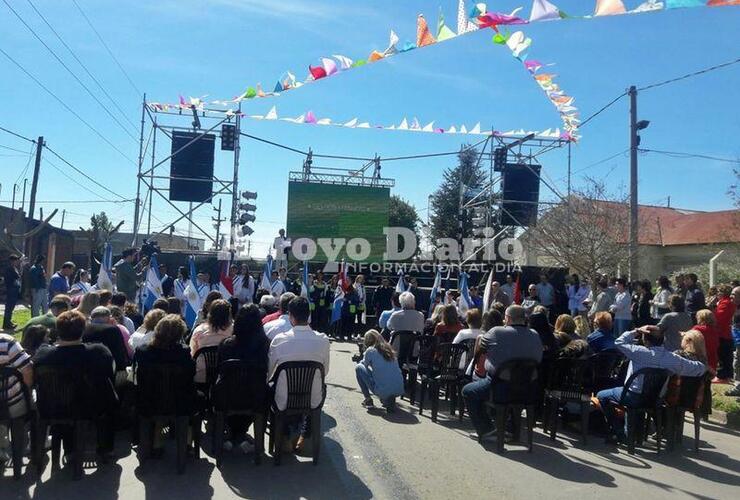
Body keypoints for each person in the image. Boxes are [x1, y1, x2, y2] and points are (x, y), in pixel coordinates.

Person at [596, 325, 706, 444]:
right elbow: (699, 369)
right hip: (656, 399)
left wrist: (636, 331)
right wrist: (705, 365)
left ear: (645, 340)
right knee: (630, 399)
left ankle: (620, 433)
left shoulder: (638, 351)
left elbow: (618, 342)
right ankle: (633, 433)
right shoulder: (672, 358)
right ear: (663, 340)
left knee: (602, 395)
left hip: (633, 396)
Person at [34, 310, 117, 456]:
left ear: (58, 330)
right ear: (83, 330)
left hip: (52, 406)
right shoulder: (98, 351)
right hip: (90, 407)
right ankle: (106, 447)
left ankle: (69, 448)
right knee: (109, 396)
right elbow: (109, 374)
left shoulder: (43, 354)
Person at [462, 305, 543, 440]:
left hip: (500, 387)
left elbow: (481, 346)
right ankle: (510, 429)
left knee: (468, 391)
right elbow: (538, 359)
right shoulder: (535, 335)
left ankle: (487, 430)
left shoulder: (497, 332)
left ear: (508, 319)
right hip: (528, 389)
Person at [268, 296, 330, 453]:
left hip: (284, 399)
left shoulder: (279, 340)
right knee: (320, 388)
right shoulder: (323, 340)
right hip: (311, 399)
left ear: (290, 316)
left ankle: (284, 435)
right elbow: (325, 372)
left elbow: (269, 373)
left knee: (272, 388)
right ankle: (304, 435)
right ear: (308, 315)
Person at [131, 314, 195, 456]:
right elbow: (191, 374)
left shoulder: (143, 351)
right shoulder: (183, 352)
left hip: (149, 400)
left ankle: (157, 444)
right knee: (195, 398)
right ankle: (187, 444)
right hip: (178, 402)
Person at [216, 304, 269, 452]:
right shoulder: (264, 345)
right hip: (255, 397)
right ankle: (239, 434)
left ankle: (236, 434)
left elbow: (219, 370)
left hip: (228, 396)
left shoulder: (226, 345)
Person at [355, 329, 404, 412]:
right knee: (385, 373)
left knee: (359, 367)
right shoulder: (390, 350)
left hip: (382, 390)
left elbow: (364, 365)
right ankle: (388, 398)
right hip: (399, 389)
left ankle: (368, 399)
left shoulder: (370, 351)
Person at [190, 299, 233, 383]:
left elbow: (192, 355)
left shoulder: (199, 331)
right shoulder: (234, 331)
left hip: (201, 377)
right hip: (226, 378)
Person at [84, 306, 130, 375]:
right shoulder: (112, 329)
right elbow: (119, 351)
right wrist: (122, 369)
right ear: (109, 317)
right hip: (108, 369)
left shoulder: (84, 329)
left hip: (87, 369)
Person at [714, 285, 736, 383]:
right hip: (726, 333)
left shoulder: (725, 303)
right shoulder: (729, 303)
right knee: (727, 356)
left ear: (723, 293)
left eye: (719, 292)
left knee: (722, 355)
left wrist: (712, 309)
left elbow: (718, 318)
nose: (717, 294)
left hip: (722, 333)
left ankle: (722, 376)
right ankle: (727, 376)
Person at [693, 309, 719, 375]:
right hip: (712, 359)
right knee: (707, 381)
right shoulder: (715, 330)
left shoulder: (697, 329)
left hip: (700, 360)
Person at [725, 286, 740, 396]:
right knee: (737, 363)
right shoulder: (734, 307)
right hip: (737, 342)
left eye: (734, 294)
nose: (731, 296)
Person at [3, 255, 22, 331]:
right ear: (12, 261)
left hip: (14, 290)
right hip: (11, 290)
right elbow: (17, 276)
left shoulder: (13, 268)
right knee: (9, 308)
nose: (17, 262)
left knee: (11, 308)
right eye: (16, 261)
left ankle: (8, 322)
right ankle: (6, 324)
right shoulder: (10, 269)